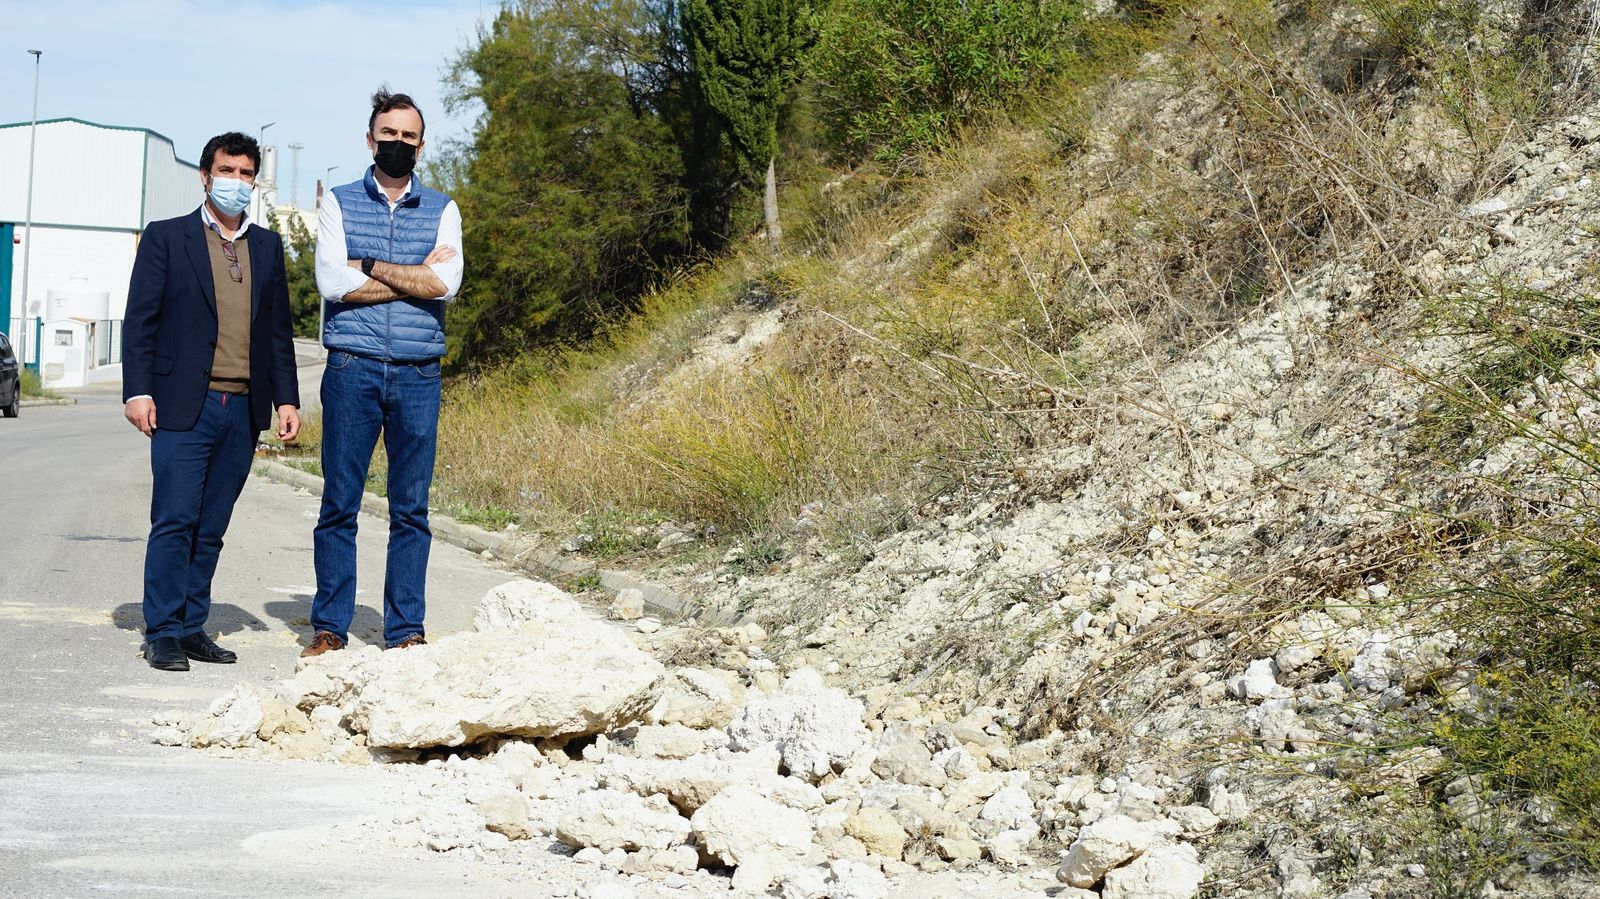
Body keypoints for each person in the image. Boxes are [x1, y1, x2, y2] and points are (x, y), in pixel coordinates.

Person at [123, 132, 301, 672]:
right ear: (205, 176)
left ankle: (191, 625)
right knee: (175, 519)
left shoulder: (266, 247)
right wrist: (138, 390)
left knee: (212, 525)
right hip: (183, 404)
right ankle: (162, 631)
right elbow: (141, 320)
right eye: (227, 171)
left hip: (242, 409)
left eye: (246, 173)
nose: (236, 182)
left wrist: (287, 400)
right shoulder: (167, 237)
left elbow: (278, 331)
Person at [302, 89, 463, 657]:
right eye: (388, 134)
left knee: (411, 508)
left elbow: (446, 285)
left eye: (408, 136)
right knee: (339, 503)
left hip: (419, 374)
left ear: (422, 144)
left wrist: (367, 264)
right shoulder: (339, 203)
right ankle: (329, 627)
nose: (398, 143)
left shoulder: (443, 209)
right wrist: (413, 275)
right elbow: (331, 284)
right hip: (353, 367)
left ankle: (405, 631)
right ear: (370, 140)